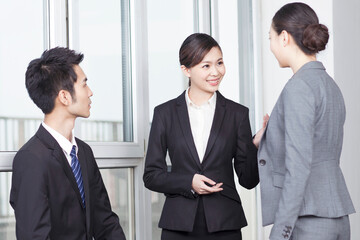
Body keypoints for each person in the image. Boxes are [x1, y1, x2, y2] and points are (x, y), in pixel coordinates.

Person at [143, 33, 261, 240]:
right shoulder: (165, 114)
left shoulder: (238, 114)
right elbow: (152, 175)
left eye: (220, 63)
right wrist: (189, 182)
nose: (216, 72)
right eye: (206, 66)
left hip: (225, 224)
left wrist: (255, 145)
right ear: (186, 70)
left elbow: (248, 180)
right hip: (178, 225)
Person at [256, 3, 355, 240]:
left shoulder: (298, 87)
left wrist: (280, 232)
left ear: (284, 37)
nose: (270, 46)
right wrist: (266, 139)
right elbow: (319, 147)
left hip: (308, 222)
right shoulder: (330, 85)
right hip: (336, 217)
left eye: (270, 37)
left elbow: (298, 168)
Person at [10, 47, 126, 240]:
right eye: (84, 85)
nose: (90, 92)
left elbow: (105, 221)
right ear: (64, 96)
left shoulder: (84, 152)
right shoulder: (31, 159)